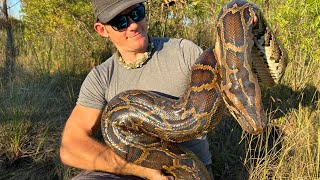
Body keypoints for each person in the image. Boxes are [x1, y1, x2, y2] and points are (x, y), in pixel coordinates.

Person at [60, 0, 215, 179]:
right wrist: (142, 170)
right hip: (130, 171)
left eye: (136, 13)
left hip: (187, 170)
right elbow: (71, 147)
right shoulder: (101, 77)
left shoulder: (183, 52)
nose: (133, 25)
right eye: (120, 22)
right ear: (102, 30)